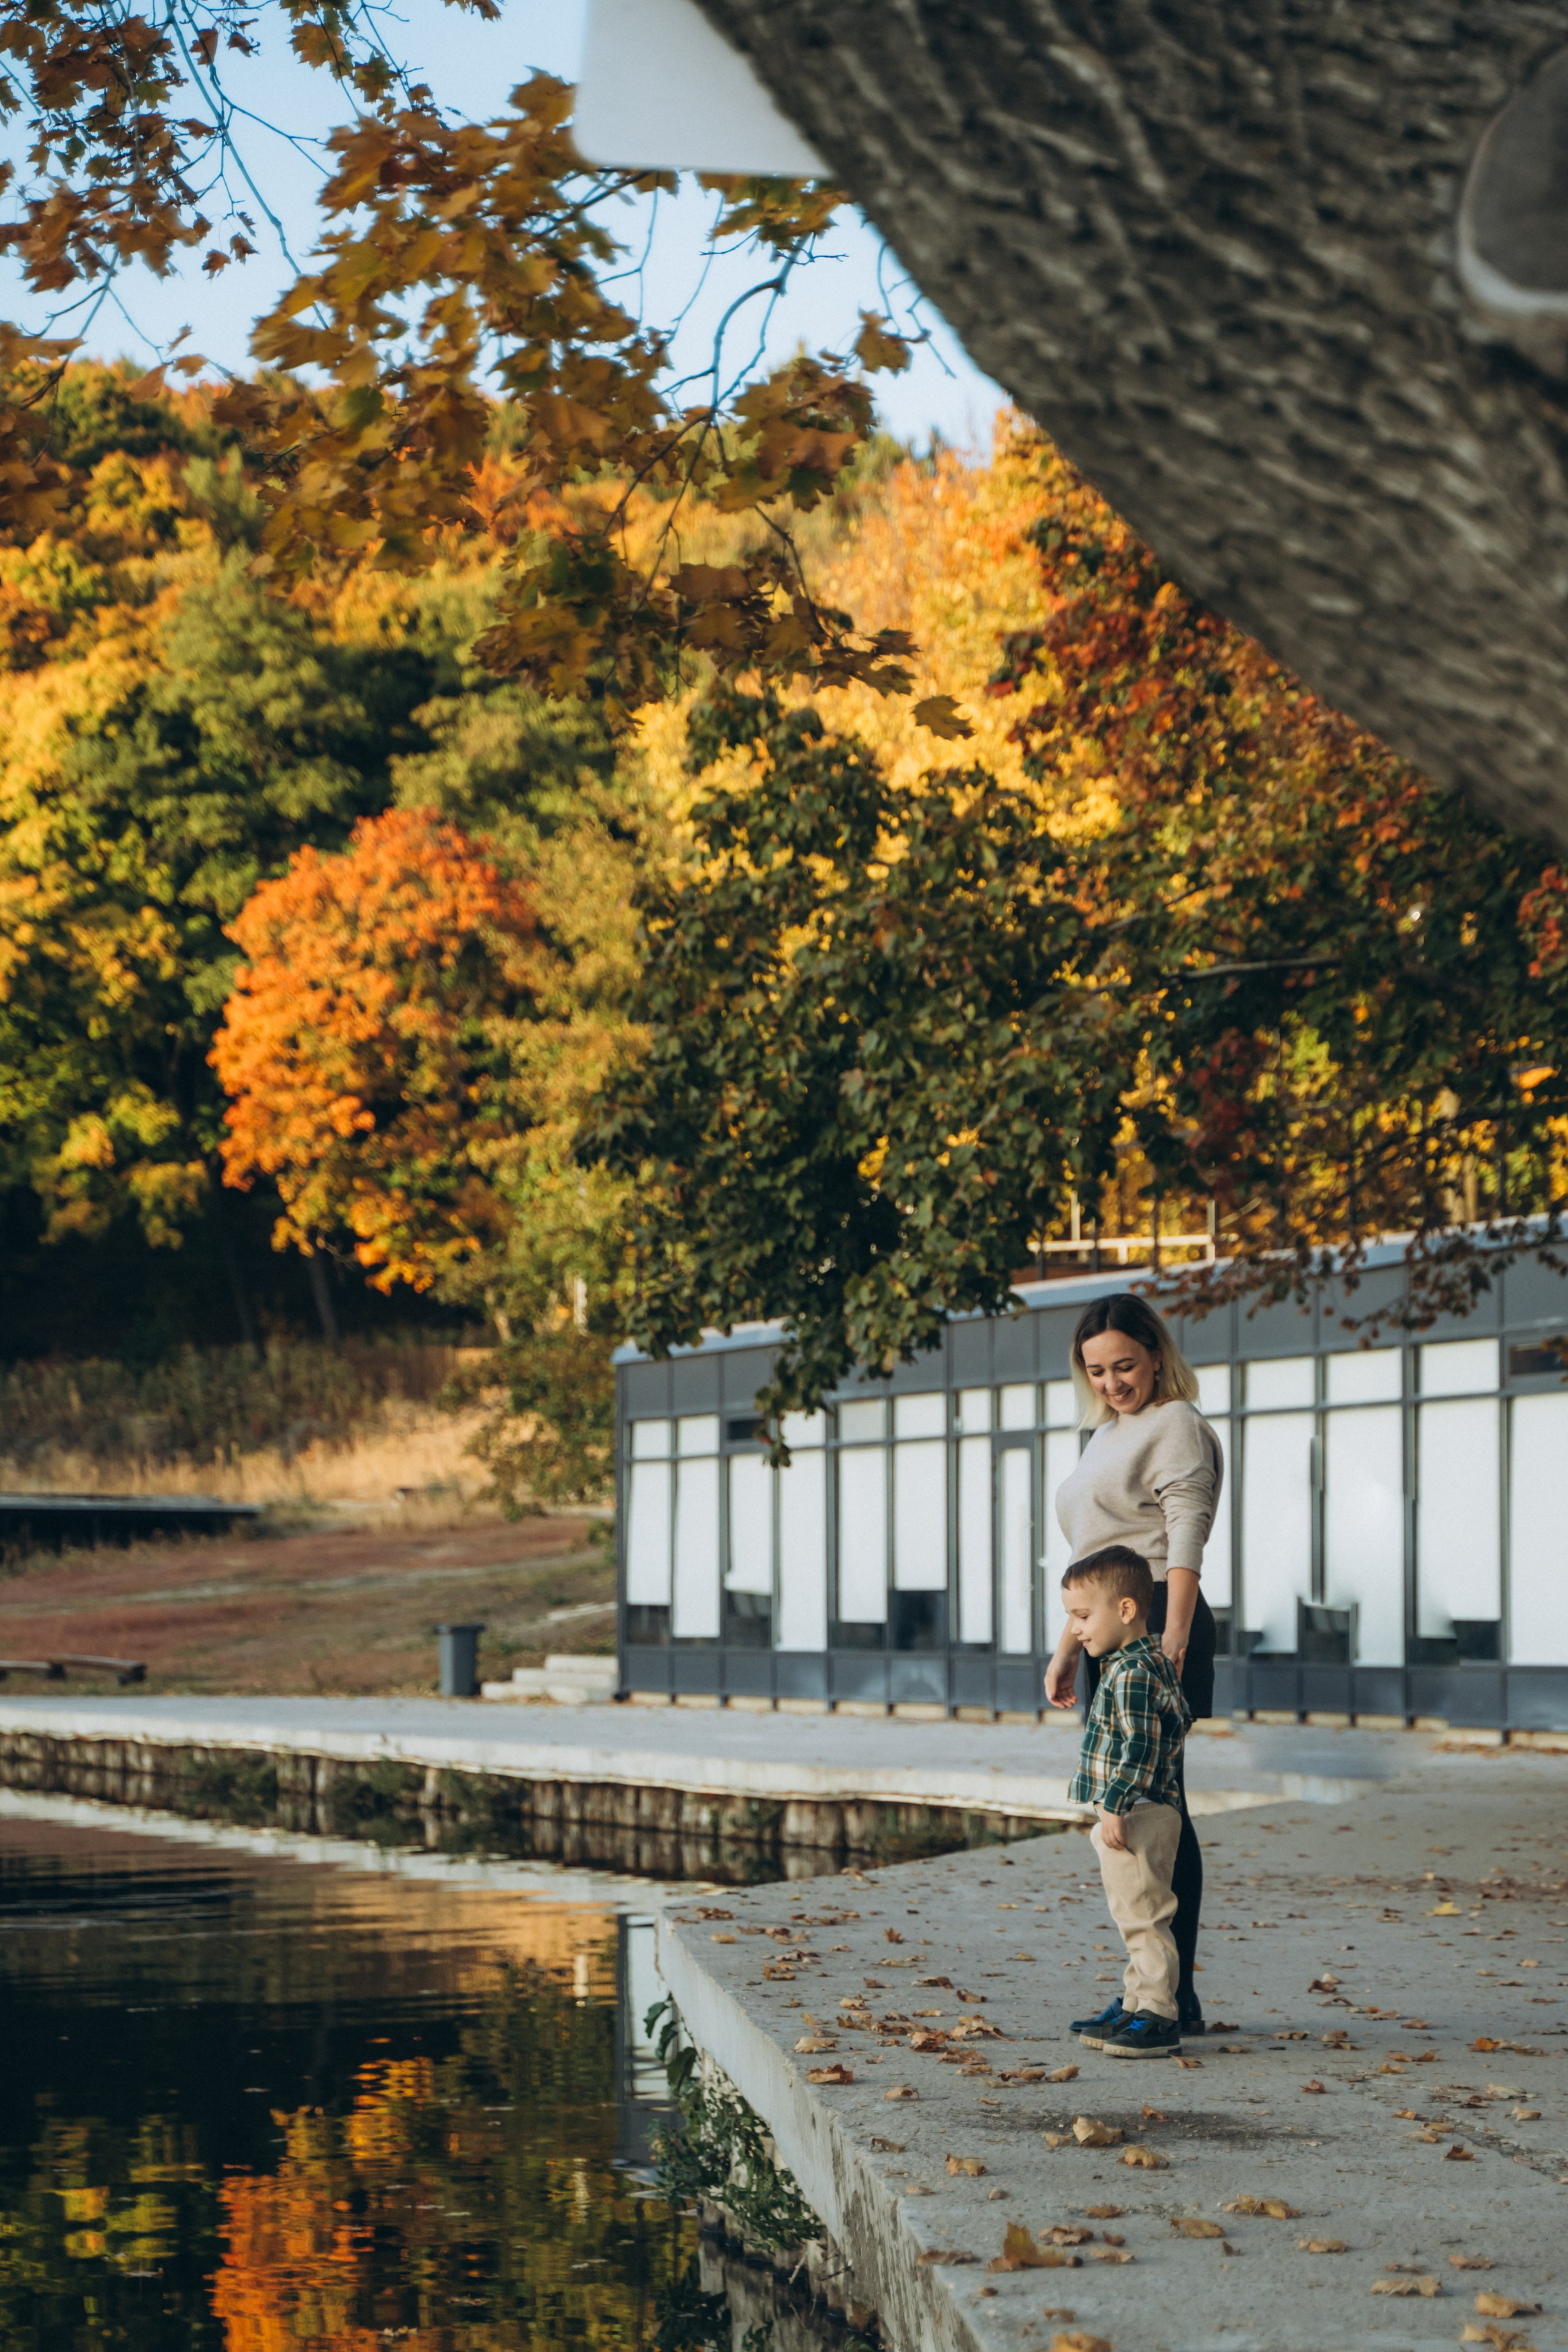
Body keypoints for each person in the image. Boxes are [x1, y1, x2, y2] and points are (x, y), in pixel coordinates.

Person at [1043, 1292, 1222, 2039]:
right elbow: (1096, 1565)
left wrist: (1171, 1637)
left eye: (1124, 1365)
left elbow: (1184, 1534)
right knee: (1140, 1817)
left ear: (1155, 1354)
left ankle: (1165, 2003)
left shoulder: (1174, 1423)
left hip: (1150, 1637)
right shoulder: (1105, 1433)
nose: (1112, 1381)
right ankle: (1154, 1991)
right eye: (1096, 1370)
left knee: (1153, 1816)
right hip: (1108, 1638)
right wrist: (1065, 1649)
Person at [1062, 1543, 1192, 2057]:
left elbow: (1140, 1747)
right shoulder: (1136, 1663)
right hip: (1135, 1811)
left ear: (1126, 1610)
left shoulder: (1134, 1673)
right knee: (1133, 1913)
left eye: (1082, 1616)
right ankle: (1138, 2001)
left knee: (1144, 1916)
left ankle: (1158, 2014)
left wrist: (1114, 1803)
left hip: (1138, 1811)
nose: (1075, 1629)